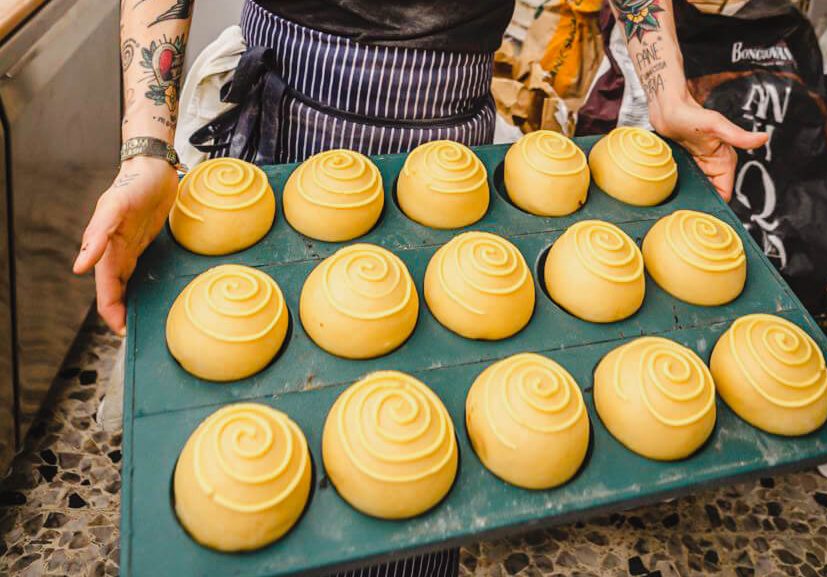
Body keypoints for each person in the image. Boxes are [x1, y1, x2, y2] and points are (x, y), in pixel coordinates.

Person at [73, 1, 767, 574]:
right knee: (255, 457)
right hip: (276, 145)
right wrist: (144, 147)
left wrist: (667, 87)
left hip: (445, 161)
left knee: (404, 464)